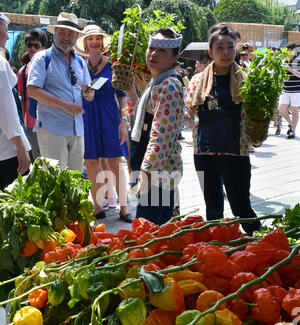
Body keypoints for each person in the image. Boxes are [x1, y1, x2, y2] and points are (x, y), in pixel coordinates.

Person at [188, 25, 261, 236]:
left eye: (230, 47)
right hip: (203, 153)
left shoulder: (246, 81)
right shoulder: (196, 82)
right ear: (210, 52)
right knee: (212, 208)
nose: (226, 52)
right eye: (220, 48)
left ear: (236, 50)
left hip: (235, 152)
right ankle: (217, 248)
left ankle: (261, 243)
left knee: (241, 207)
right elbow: (187, 112)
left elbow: (256, 114)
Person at [126, 28, 185, 225]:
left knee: (146, 231)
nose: (153, 54)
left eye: (162, 51)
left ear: (175, 56)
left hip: (157, 174)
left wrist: (147, 173)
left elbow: (162, 135)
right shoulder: (158, 82)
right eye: (151, 48)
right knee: (157, 231)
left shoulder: (168, 86)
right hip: (157, 171)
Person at [74, 25, 132, 223]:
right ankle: (98, 207)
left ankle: (124, 208)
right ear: (85, 43)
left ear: (102, 42)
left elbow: (123, 96)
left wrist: (124, 121)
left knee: (115, 162)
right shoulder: (79, 65)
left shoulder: (113, 65)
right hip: (87, 116)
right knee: (90, 162)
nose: (94, 42)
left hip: (110, 117)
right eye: (90, 39)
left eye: (98, 38)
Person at [27, 13, 94, 172]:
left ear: (76, 36)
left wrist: (88, 94)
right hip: (52, 130)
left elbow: (90, 94)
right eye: (62, 32)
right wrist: (64, 105)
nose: (66, 37)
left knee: (75, 183)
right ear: (55, 32)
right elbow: (33, 91)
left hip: (77, 130)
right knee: (55, 183)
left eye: (70, 33)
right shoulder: (42, 58)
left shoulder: (81, 62)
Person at [0, 13, 31, 191]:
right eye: (4, 31)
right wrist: (20, 146)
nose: (6, 35)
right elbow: (7, 111)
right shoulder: (1, 65)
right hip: (7, 151)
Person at [17, 29, 47, 161]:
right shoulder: (22, 72)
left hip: (50, 120)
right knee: (38, 161)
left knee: (53, 159)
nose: (32, 48)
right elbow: (23, 99)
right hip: (31, 122)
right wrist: (24, 124)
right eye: (29, 45)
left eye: (36, 45)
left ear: (43, 47)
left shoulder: (50, 67)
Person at [278, 42, 300, 139]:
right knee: (281, 109)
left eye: (289, 50)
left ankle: (293, 131)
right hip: (285, 89)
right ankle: (291, 124)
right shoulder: (284, 60)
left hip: (296, 90)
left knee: (294, 110)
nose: (287, 52)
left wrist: (291, 70)